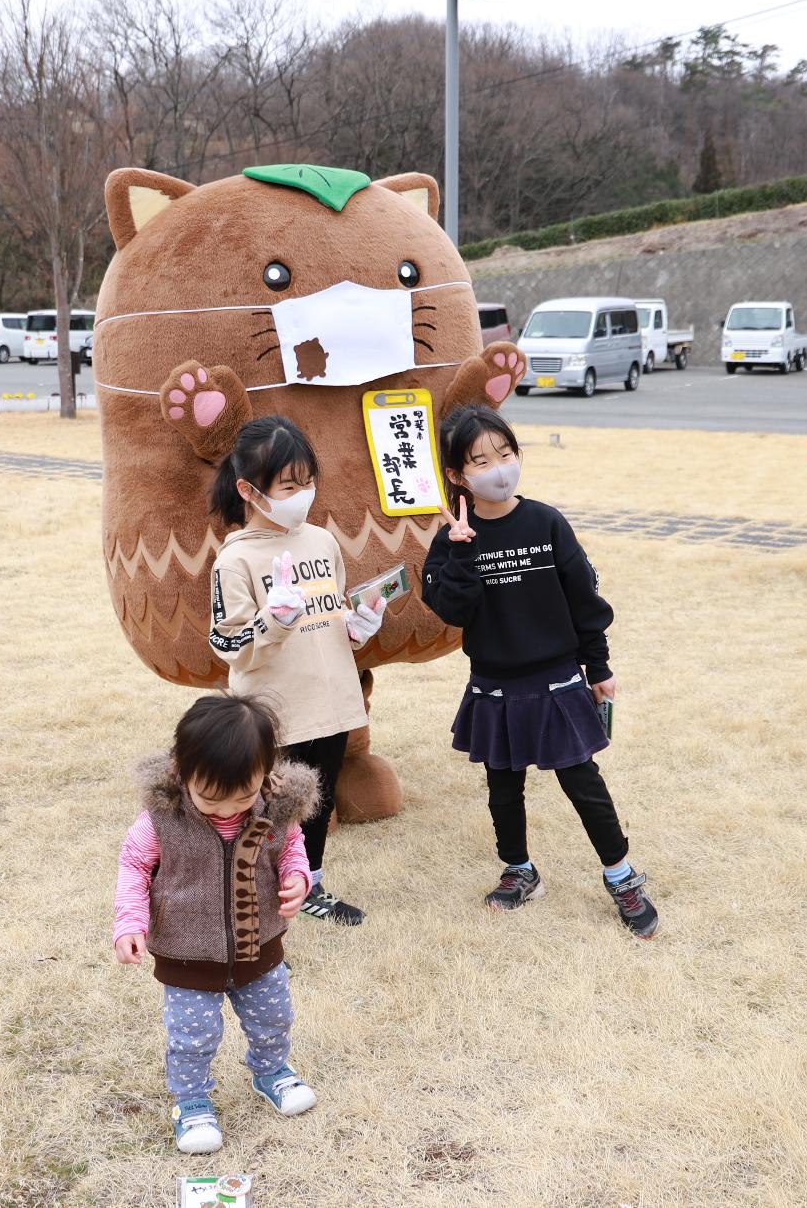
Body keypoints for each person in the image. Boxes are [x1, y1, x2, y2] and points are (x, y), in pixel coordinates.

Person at [420, 404, 660, 938]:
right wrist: (460, 553)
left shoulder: (546, 521)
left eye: (505, 453)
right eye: (480, 460)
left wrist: (598, 666)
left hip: (557, 676)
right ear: (458, 475)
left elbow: (585, 600)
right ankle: (518, 870)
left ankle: (621, 875)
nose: (497, 467)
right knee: (502, 787)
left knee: (583, 782)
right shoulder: (452, 538)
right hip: (494, 681)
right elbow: (452, 611)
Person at [113, 693, 320, 1154]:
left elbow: (292, 848)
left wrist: (297, 877)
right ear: (180, 770)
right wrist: (130, 923)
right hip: (187, 952)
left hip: (259, 946)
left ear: (267, 772)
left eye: (243, 796)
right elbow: (133, 866)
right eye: (210, 799)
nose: (228, 810)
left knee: (274, 1017)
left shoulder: (275, 810)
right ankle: (192, 1102)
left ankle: (271, 1072)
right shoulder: (161, 820)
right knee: (193, 1035)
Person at [207, 415, 384, 927]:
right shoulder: (234, 561)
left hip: (330, 702)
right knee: (265, 811)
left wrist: (357, 627)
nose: (302, 495)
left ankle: (310, 884)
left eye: (308, 482)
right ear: (248, 489)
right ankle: (252, 897)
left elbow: (331, 616)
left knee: (316, 804)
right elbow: (227, 643)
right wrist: (272, 620)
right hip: (275, 711)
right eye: (288, 485)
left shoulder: (321, 542)